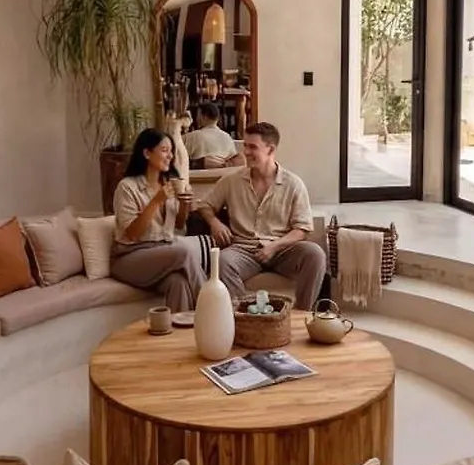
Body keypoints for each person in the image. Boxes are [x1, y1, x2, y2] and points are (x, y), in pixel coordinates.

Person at [197, 122, 327, 309]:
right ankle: (245, 315)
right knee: (223, 261)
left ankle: (302, 313)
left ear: (270, 149)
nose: (246, 152)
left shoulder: (293, 184)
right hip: (244, 249)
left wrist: (275, 246)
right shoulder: (231, 181)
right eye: (245, 146)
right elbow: (205, 205)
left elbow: (302, 229)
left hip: (282, 250)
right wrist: (215, 223)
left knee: (315, 254)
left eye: (252, 147)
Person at [110, 128, 227, 310]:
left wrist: (184, 205)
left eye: (171, 151)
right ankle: (213, 309)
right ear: (147, 153)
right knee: (184, 252)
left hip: (159, 253)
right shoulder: (127, 187)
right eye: (164, 150)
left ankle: (181, 328)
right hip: (129, 257)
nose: (170, 156)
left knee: (178, 283)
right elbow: (132, 234)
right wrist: (157, 201)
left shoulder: (169, 184)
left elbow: (179, 226)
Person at [182, 102, 239, 168]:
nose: (196, 119)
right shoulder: (228, 138)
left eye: (198, 115)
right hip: (224, 173)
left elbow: (176, 156)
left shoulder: (194, 136)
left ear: (204, 117)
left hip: (199, 173)